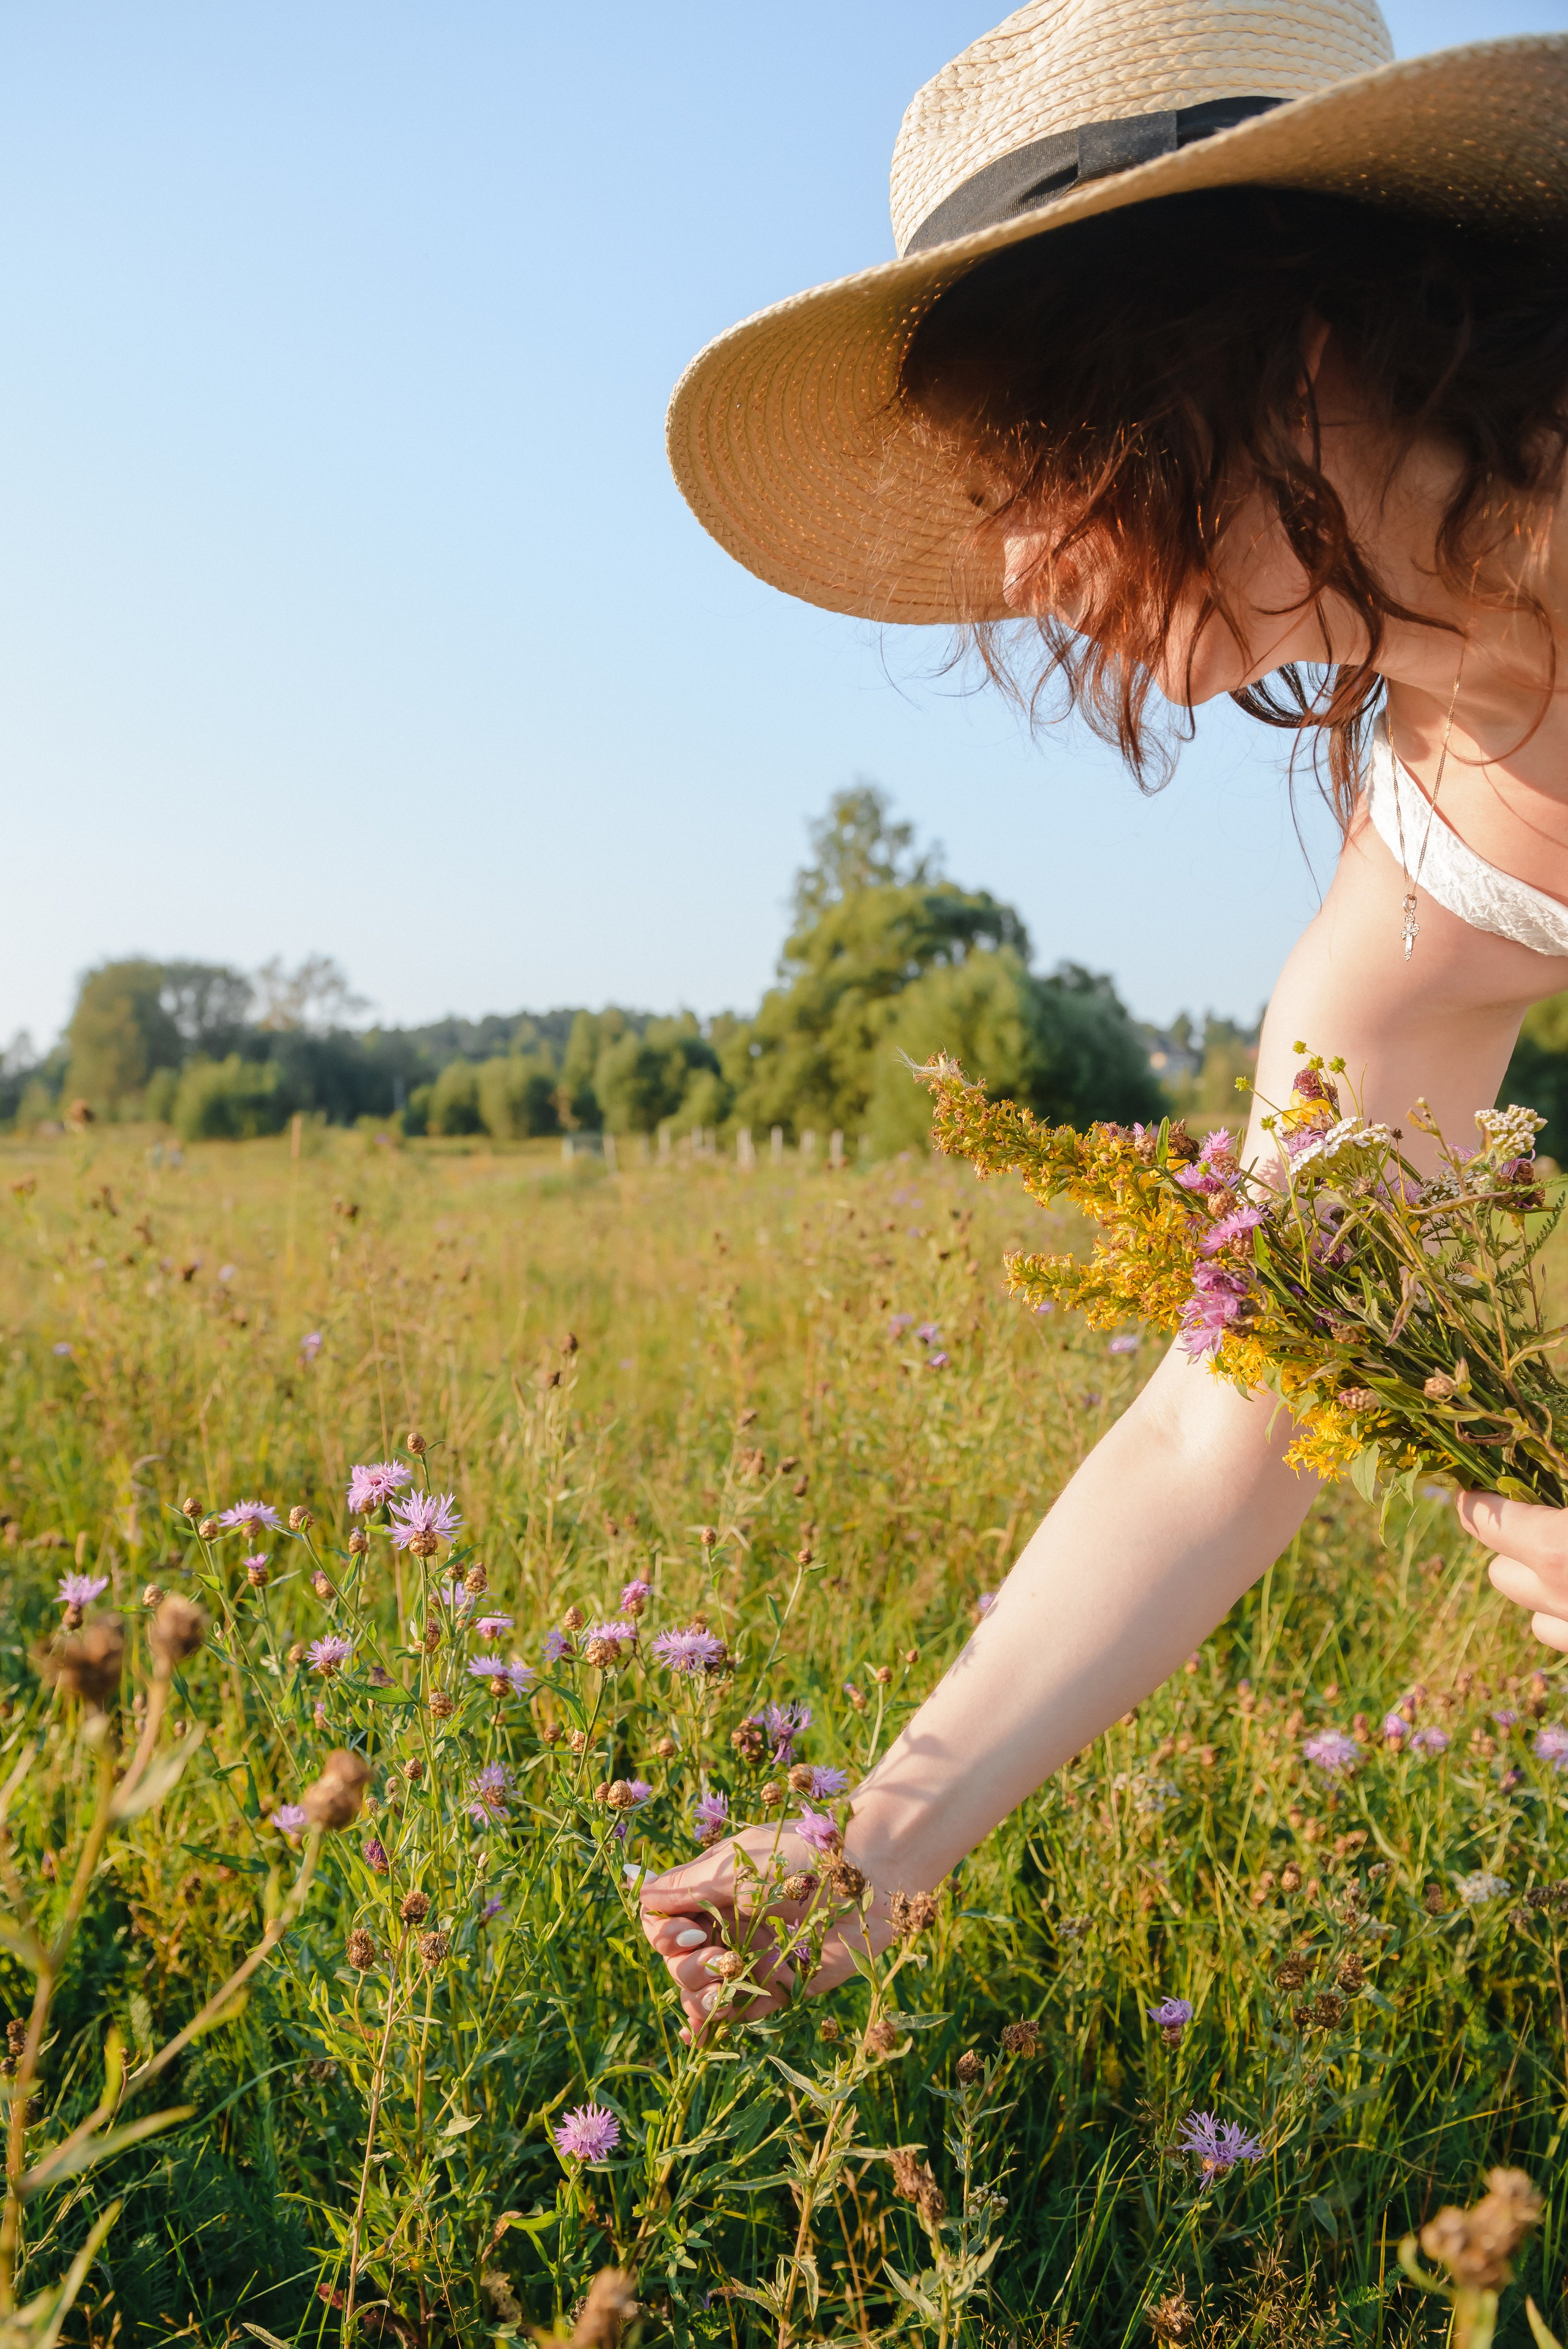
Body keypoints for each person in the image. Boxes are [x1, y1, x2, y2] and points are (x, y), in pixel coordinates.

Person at [641, 0, 1568, 2037]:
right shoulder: (1415, 899)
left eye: (1046, 455)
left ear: (1279, 331)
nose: (1027, 567)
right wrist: (867, 1849)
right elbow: (1224, 1419)